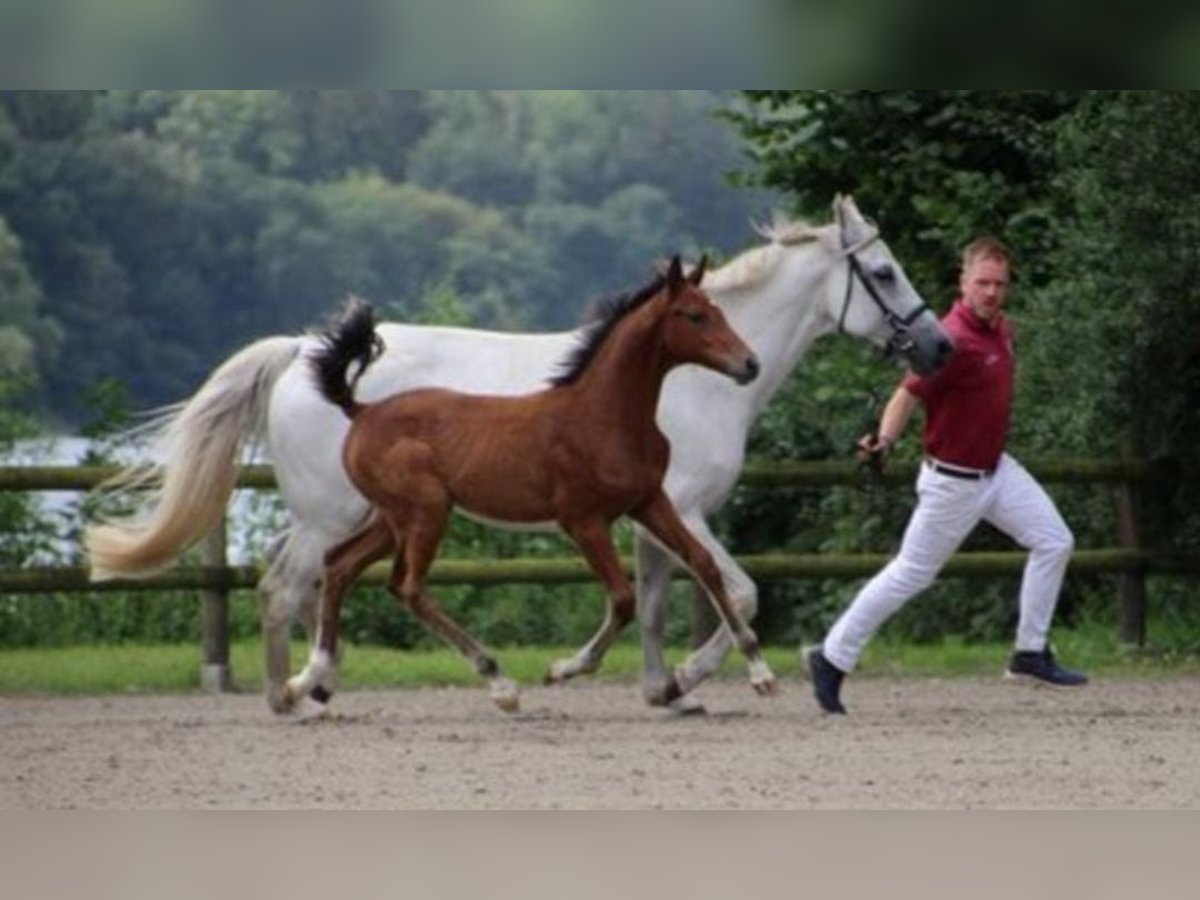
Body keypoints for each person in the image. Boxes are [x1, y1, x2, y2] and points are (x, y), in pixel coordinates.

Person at [807, 236, 1087, 715]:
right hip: (953, 482)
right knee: (911, 574)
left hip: (997, 471)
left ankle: (1030, 653)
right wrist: (884, 441)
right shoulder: (949, 339)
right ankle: (831, 658)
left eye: (999, 284)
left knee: (1054, 540)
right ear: (963, 283)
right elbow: (906, 394)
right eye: (982, 283)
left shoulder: (1001, 330)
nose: (991, 292)